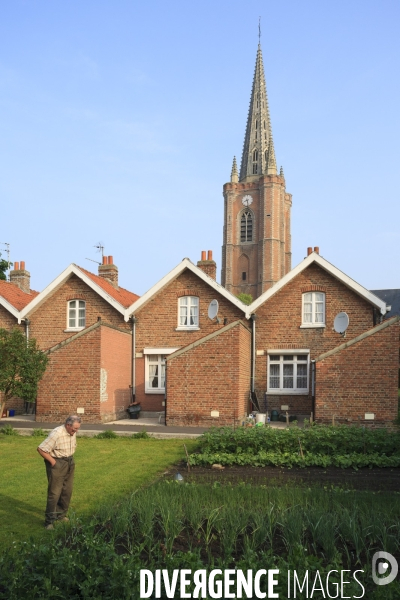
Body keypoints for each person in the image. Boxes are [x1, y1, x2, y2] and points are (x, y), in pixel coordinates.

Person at [37, 415, 81, 530]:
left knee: (67, 490)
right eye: (74, 429)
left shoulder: (72, 431)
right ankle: (49, 521)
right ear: (68, 425)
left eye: (77, 429)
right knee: (54, 493)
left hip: (69, 461)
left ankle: (61, 515)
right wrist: (53, 462)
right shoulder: (56, 433)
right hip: (58, 463)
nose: (76, 431)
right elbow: (41, 449)